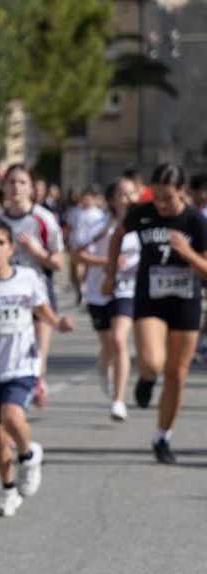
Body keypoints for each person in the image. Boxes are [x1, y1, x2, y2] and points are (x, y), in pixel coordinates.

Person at [0, 219, 75, 516]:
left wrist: (59, 323)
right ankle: (8, 489)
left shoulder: (28, 278)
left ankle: (28, 454)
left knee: (11, 417)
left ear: (11, 248)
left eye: (0, 243)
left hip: (21, 365)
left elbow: (42, 311)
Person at [104, 162, 207, 464]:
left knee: (177, 375)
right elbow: (116, 237)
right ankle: (147, 378)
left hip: (185, 303)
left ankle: (163, 436)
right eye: (157, 197)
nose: (161, 204)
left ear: (182, 192)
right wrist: (110, 274)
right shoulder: (142, 213)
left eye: (168, 198)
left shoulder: (195, 222)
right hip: (150, 299)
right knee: (152, 361)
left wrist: (187, 253)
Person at [0, 164, 66, 407]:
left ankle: (37, 380)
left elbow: (58, 262)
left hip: (38, 295)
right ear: (3, 186)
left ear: (32, 188)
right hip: (6, 297)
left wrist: (37, 253)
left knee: (38, 356)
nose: (16, 187)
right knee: (10, 359)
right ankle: (16, 402)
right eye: (11, 182)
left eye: (22, 182)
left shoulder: (43, 219)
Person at [75, 179, 140, 420]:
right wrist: (107, 263)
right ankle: (104, 369)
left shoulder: (143, 224)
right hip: (99, 290)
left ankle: (119, 400)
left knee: (119, 340)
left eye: (131, 193)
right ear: (112, 199)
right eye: (122, 194)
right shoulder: (100, 223)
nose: (127, 198)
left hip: (127, 289)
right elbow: (78, 254)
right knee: (107, 344)